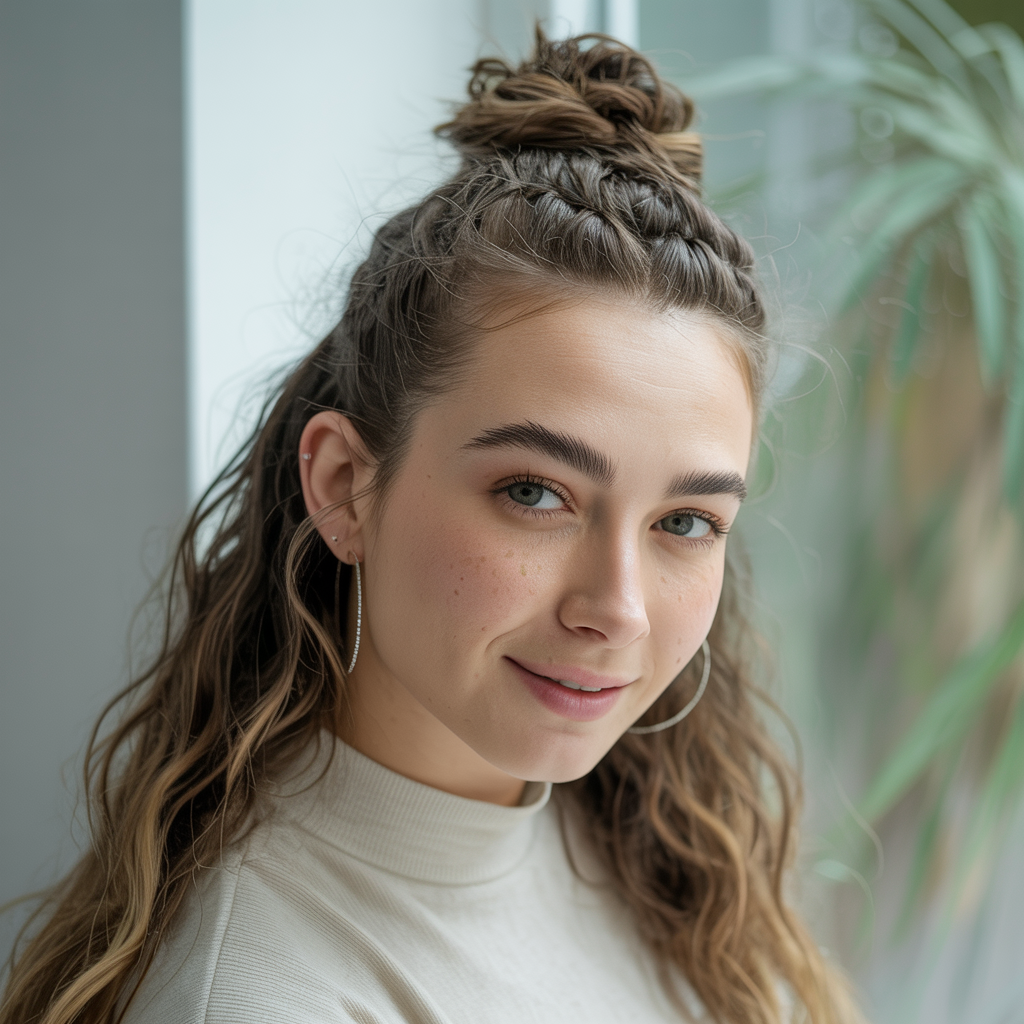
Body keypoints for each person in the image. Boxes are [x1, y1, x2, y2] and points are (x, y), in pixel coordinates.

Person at [1, 31, 862, 1024]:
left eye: (684, 519)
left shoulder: (651, 859)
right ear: (343, 485)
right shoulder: (265, 996)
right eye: (535, 493)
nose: (616, 610)